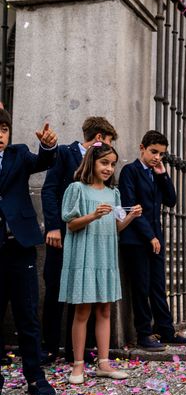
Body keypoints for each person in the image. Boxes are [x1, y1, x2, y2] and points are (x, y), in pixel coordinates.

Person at [59, 143, 142, 384]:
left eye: (112, 164)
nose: (109, 168)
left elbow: (115, 227)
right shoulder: (77, 189)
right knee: (82, 310)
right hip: (86, 254)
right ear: (92, 162)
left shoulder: (113, 193)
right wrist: (93, 215)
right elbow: (71, 224)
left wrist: (130, 217)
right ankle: (77, 365)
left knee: (105, 309)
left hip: (105, 254)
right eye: (104, 162)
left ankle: (103, 363)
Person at [41, 116, 118, 363]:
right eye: (107, 141)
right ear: (99, 138)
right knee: (55, 286)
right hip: (64, 233)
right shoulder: (64, 153)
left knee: (85, 293)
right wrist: (53, 227)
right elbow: (49, 189)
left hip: (92, 236)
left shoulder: (105, 175)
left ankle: (80, 351)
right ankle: (50, 347)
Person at [119, 130, 186, 351]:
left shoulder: (156, 172)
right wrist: (149, 235)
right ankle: (144, 334)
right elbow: (131, 207)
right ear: (142, 148)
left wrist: (163, 174)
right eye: (154, 152)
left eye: (161, 154)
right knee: (141, 288)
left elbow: (171, 201)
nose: (157, 157)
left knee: (158, 287)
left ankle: (166, 331)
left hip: (155, 239)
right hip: (136, 239)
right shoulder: (130, 172)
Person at [0, 108, 59, 395]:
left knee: (27, 316)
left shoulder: (19, 154)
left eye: (3, 129)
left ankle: (35, 378)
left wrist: (47, 145)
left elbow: (43, 161)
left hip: (19, 247)